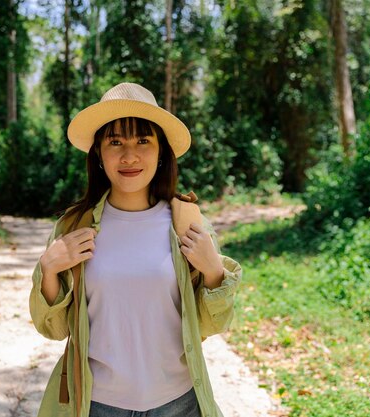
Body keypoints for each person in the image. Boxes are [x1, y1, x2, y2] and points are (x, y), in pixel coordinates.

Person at [29, 82, 242, 417]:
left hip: (179, 403)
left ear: (161, 152)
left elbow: (213, 324)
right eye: (115, 141)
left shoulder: (186, 223)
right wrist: (50, 268)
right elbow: (54, 330)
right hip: (97, 404)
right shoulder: (73, 227)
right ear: (98, 151)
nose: (129, 155)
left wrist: (215, 272)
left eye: (143, 140)